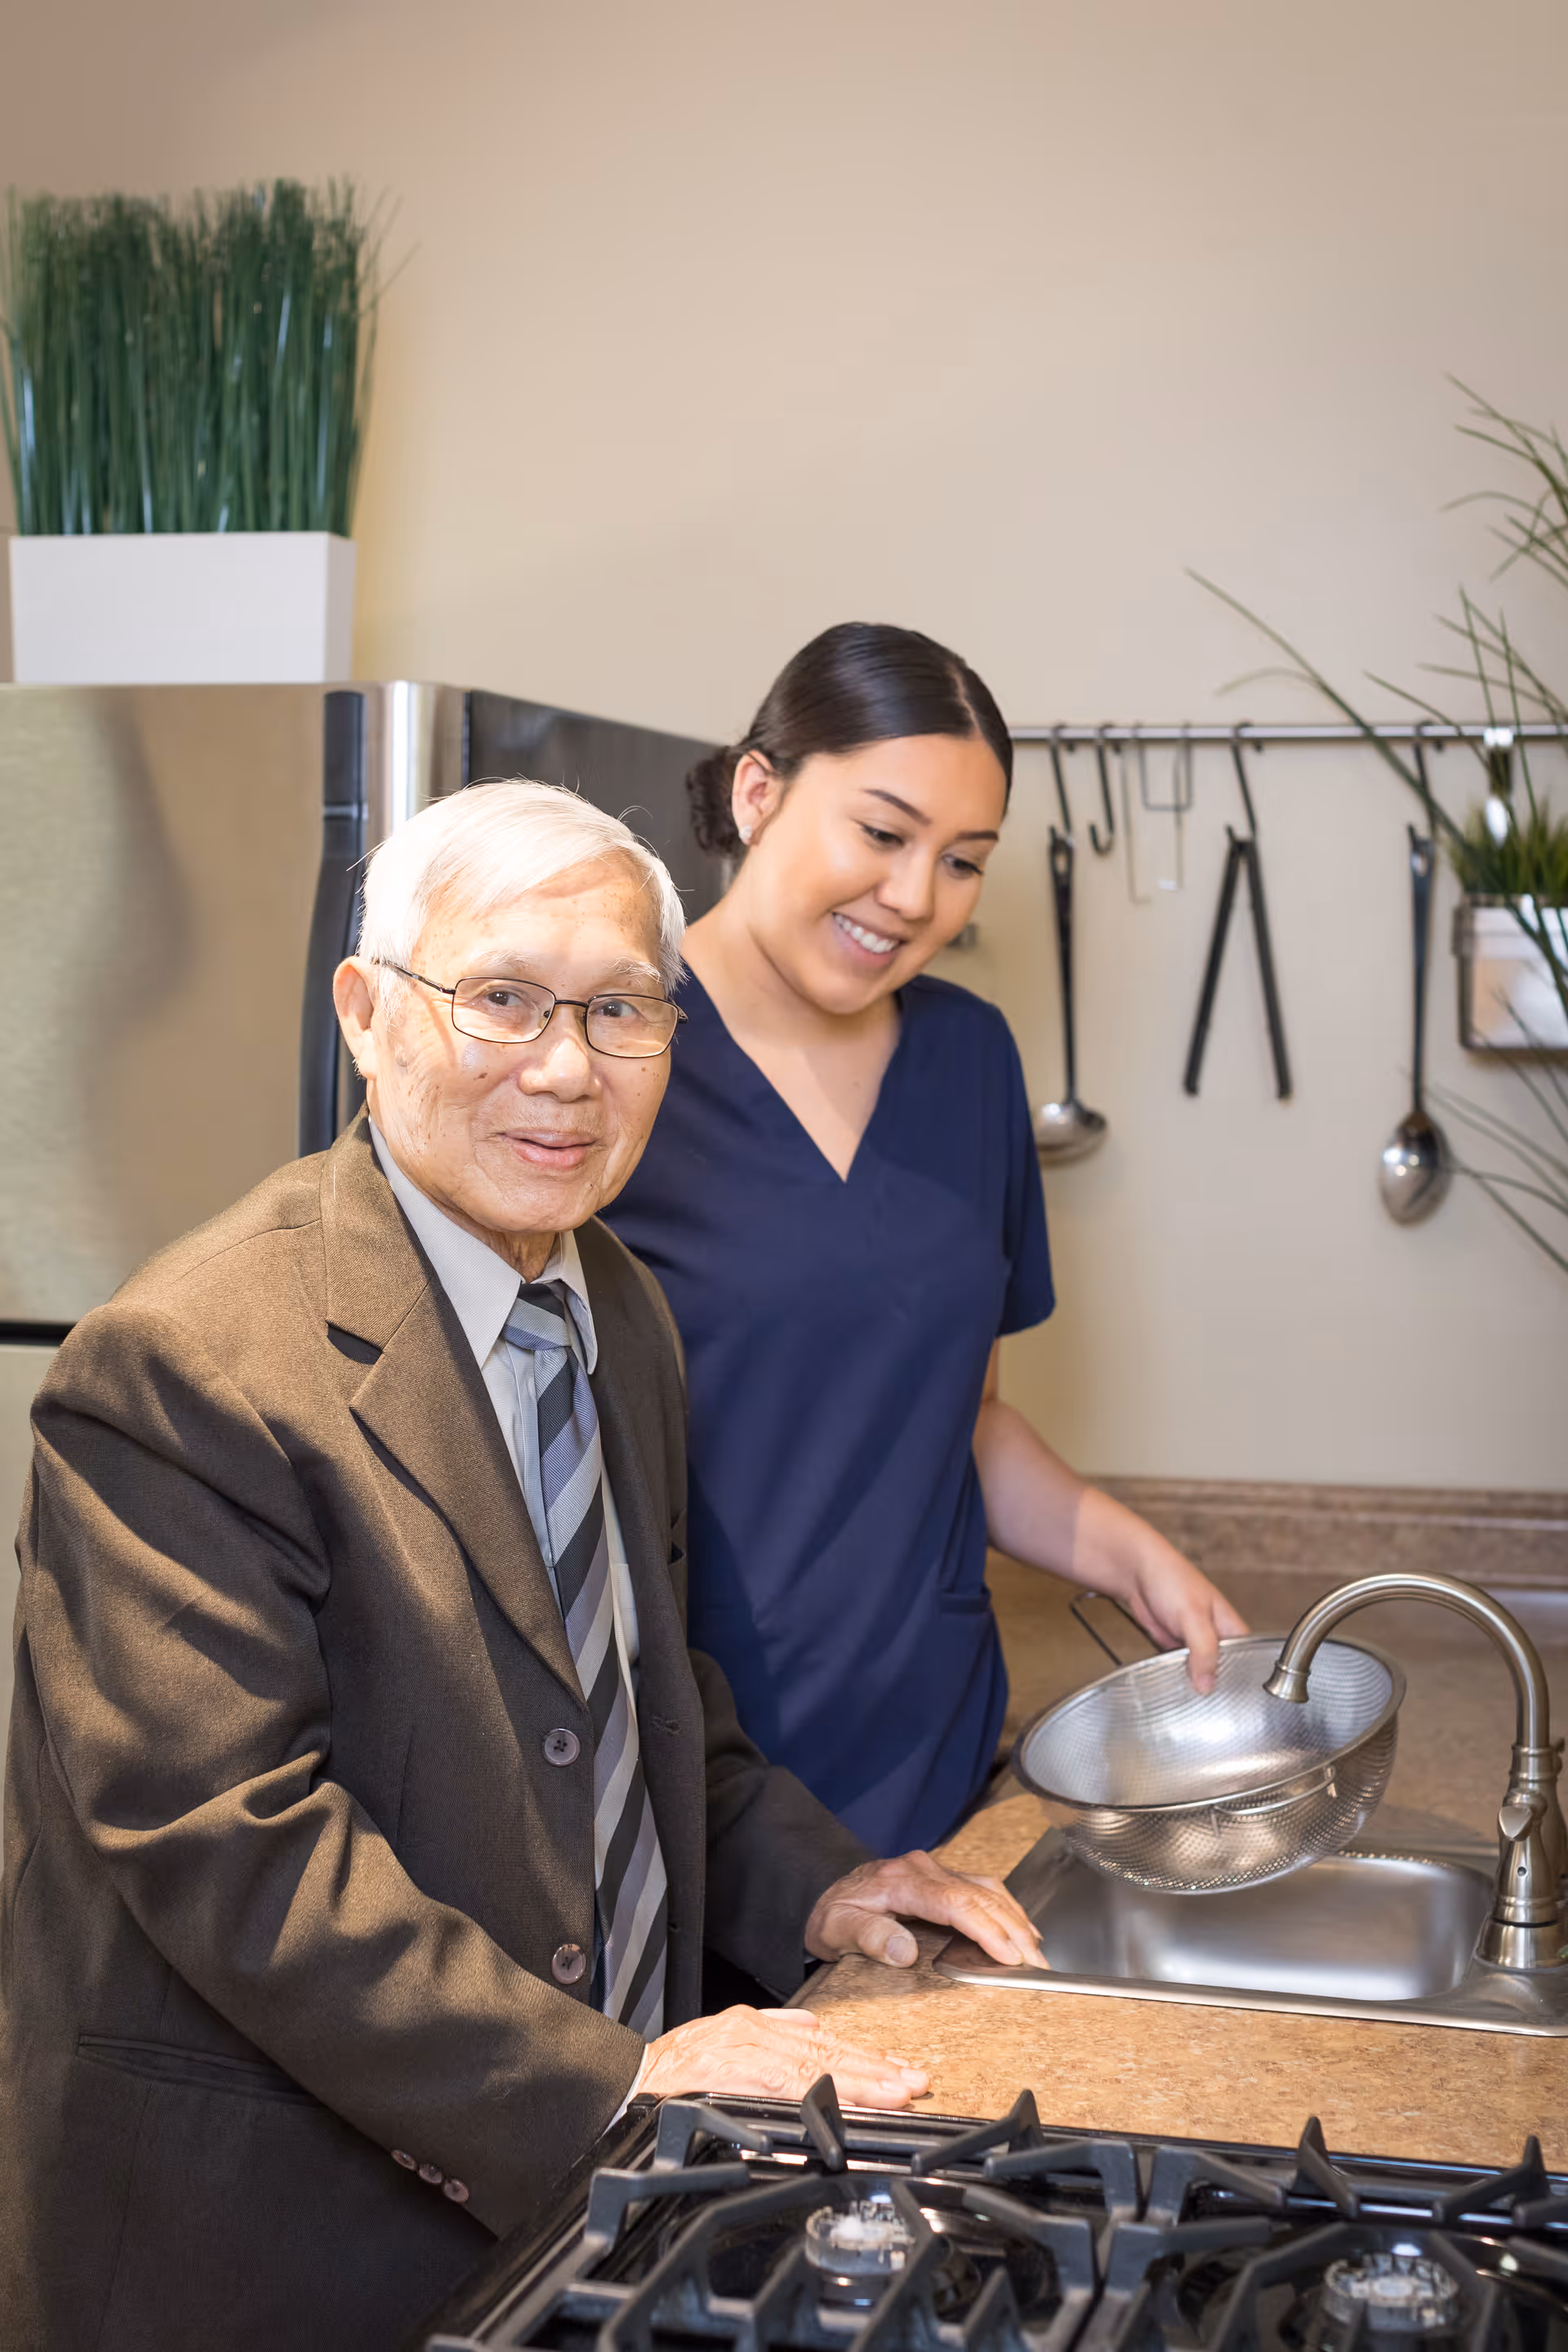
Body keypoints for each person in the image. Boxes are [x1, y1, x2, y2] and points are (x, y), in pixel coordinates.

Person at [0, 782, 1045, 2352]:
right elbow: (235, 1850)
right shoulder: (183, 1366)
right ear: (367, 1014)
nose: (568, 1068)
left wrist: (817, 1881)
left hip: (569, 2210)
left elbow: (637, 1691)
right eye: (502, 999)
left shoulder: (613, 1304)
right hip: (275, 2239)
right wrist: (618, 2081)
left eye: (622, 1008)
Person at [604, 623, 1248, 1858]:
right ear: (758, 792)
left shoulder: (971, 1060)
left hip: (928, 1762)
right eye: (883, 833)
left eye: (963, 862)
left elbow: (959, 1415)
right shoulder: (615, 1056)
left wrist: (1127, 1555)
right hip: (685, 1781)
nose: (914, 899)